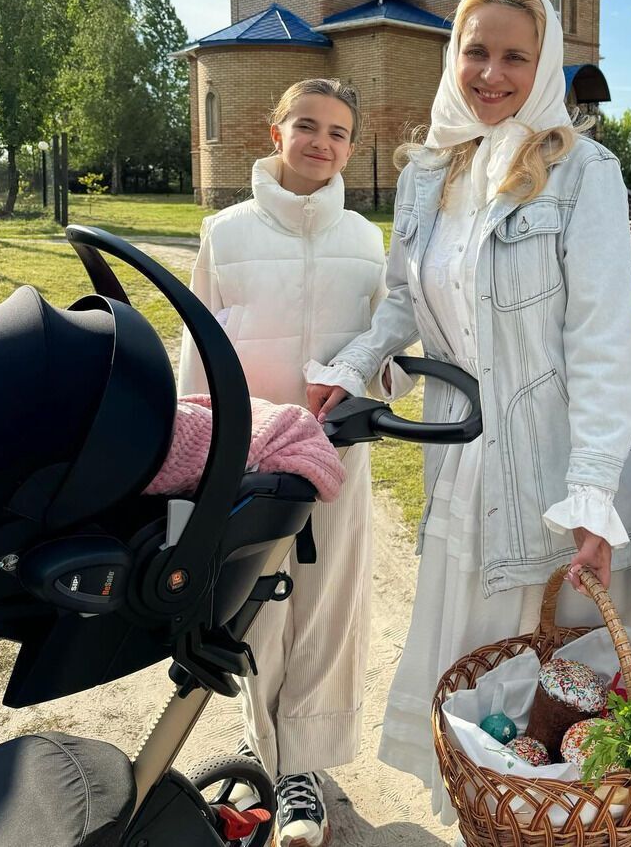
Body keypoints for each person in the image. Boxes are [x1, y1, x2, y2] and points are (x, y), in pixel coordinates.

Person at [303, 0, 631, 816]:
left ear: (543, 69)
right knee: (482, 709)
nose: (491, 73)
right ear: (453, 55)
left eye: (514, 57)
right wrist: (350, 367)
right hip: (466, 465)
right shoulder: (431, 172)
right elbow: (403, 297)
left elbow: (605, 344)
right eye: (477, 51)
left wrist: (595, 495)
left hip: (558, 473)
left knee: (564, 711)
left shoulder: (583, 173)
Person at [178, 78, 407, 847]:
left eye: (338, 132)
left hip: (337, 456)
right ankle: (264, 742)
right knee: (253, 606)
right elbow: (197, 350)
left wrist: (389, 376)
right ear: (276, 133)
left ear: (352, 146)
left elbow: (388, 346)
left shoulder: (368, 241)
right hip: (250, 456)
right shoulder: (226, 232)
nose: (321, 142)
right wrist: (196, 452)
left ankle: (304, 762)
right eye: (306, 126)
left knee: (326, 608)